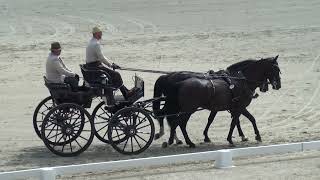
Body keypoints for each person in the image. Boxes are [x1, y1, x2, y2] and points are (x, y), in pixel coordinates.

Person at [85, 26, 138, 101]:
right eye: (100, 33)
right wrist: (110, 65)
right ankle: (126, 94)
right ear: (96, 34)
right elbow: (102, 58)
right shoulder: (96, 44)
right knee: (116, 74)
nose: (101, 35)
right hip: (96, 68)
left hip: (92, 67)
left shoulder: (91, 42)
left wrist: (111, 63)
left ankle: (126, 91)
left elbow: (102, 57)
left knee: (114, 74)